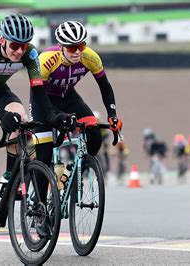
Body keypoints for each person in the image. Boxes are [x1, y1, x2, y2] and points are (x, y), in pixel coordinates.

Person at [0, 14, 74, 250]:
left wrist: (52, 118)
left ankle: (10, 176)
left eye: (24, 45)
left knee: (22, 122)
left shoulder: (31, 55)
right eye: (14, 45)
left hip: (0, 92)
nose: (19, 51)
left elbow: (39, 94)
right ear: (3, 40)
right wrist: (2, 115)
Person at [30, 20, 123, 233]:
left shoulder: (90, 57)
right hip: (43, 100)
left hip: (68, 97)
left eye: (81, 46)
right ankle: (39, 209)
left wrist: (112, 115)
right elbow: (38, 95)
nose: (77, 52)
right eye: (72, 48)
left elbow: (105, 86)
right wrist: (55, 117)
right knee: (44, 153)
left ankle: (72, 172)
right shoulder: (46, 60)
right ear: (61, 46)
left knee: (95, 134)